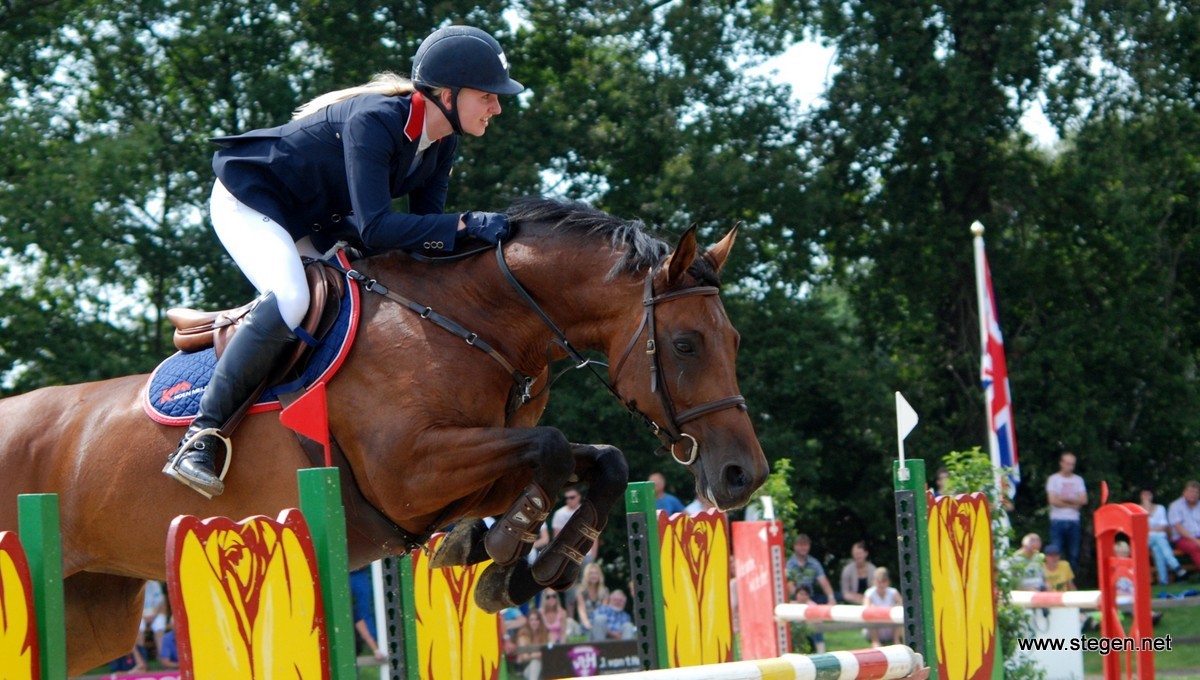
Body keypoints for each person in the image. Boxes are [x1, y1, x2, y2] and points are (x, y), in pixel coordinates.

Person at [162, 25, 523, 497]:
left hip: (313, 220)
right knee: (292, 298)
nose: (497, 106)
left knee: (367, 291)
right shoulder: (376, 120)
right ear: (448, 95)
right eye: (488, 96)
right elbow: (376, 228)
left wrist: (484, 250)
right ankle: (200, 438)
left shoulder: (441, 143)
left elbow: (421, 239)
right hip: (250, 201)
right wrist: (466, 223)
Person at [1046, 451, 1087, 572]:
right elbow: (1053, 500)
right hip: (1057, 520)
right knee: (1055, 552)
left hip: (1074, 521)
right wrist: (1074, 502)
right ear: (1061, 463)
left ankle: (1070, 583)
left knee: (1073, 555)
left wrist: (1063, 499)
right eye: (1068, 463)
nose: (1070, 467)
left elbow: (1084, 500)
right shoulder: (1053, 479)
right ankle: (1054, 582)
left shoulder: (1078, 480)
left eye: (1072, 464)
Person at [1139, 487, 1189, 584]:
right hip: (1146, 539)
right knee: (1160, 540)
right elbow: (1140, 529)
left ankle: (1163, 581)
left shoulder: (1160, 508)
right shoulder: (1137, 509)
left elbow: (1164, 527)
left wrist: (1149, 529)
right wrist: (1147, 509)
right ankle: (1176, 567)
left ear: (1152, 496)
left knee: (1158, 549)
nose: (1146, 497)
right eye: (1144, 495)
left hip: (1160, 538)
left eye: (1148, 494)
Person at [786, 534, 836, 604]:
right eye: (801, 545)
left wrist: (831, 598)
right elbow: (789, 584)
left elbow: (824, 581)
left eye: (806, 545)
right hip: (795, 598)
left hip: (811, 597)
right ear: (795, 546)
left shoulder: (814, 563)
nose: (803, 548)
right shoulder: (788, 564)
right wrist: (803, 598)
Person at [350, 566, 386, 661]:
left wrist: (375, 650)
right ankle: (375, 648)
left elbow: (359, 618)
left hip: (358, 571)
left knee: (362, 612)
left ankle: (375, 647)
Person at [863, 567, 902, 648]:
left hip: (890, 625)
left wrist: (896, 606)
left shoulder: (893, 592)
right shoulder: (869, 593)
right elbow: (866, 607)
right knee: (871, 615)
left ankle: (896, 639)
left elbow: (901, 603)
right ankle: (875, 640)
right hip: (875, 626)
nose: (881, 585)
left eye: (883, 582)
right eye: (878, 582)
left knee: (898, 613)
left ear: (888, 582)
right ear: (874, 582)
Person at [1169, 480, 1200, 572]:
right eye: (1191, 491)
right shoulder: (1175, 506)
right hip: (1182, 538)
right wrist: (1196, 540)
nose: (1193, 494)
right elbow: (1178, 528)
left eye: (1196, 492)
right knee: (1194, 547)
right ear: (1184, 492)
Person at [573, 562, 610, 634]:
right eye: (591, 573)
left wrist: (596, 624)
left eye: (596, 573)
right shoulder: (581, 590)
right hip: (586, 622)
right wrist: (587, 625)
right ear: (586, 575)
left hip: (600, 621)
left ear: (599, 575)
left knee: (600, 621)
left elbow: (604, 610)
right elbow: (581, 610)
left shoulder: (605, 591)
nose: (594, 576)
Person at [139, 580, 168, 662]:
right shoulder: (135, 585)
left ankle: (163, 657)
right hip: (140, 614)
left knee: (159, 625)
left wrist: (154, 615)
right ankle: (141, 659)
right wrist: (142, 616)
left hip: (155, 613)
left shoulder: (155, 584)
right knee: (138, 628)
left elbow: (160, 602)